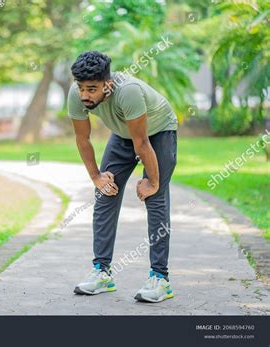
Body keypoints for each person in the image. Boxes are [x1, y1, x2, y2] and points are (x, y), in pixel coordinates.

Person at [68, 51, 177, 303]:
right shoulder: (77, 95)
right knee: (105, 192)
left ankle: (161, 278)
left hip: (158, 132)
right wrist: (96, 176)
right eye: (81, 88)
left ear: (107, 84)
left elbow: (142, 143)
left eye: (92, 89)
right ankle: (102, 272)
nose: (85, 95)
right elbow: (82, 139)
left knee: (155, 198)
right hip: (123, 134)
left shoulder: (127, 92)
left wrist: (153, 182)